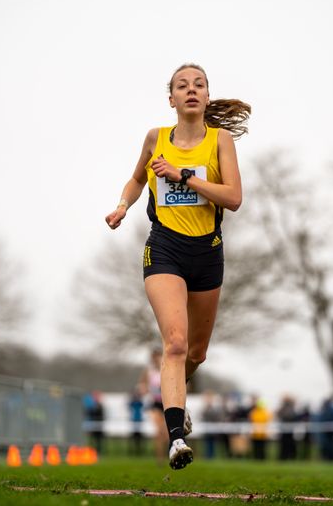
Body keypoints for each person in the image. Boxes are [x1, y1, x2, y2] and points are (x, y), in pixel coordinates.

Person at [105, 63, 250, 469]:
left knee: (196, 354)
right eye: (182, 86)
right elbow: (136, 181)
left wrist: (184, 176)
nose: (191, 90)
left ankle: (176, 394)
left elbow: (234, 198)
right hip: (164, 248)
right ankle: (176, 438)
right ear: (171, 99)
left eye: (198, 85)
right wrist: (121, 206)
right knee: (175, 342)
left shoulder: (220, 141)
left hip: (207, 253)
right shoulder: (156, 138)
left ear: (206, 97)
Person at [139, 348, 168, 464]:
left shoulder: (168, 368)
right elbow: (142, 385)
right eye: (154, 357)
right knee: (158, 431)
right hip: (155, 404)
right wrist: (144, 389)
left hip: (167, 403)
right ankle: (159, 458)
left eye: (158, 356)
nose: (156, 359)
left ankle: (167, 454)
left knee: (166, 433)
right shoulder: (148, 371)